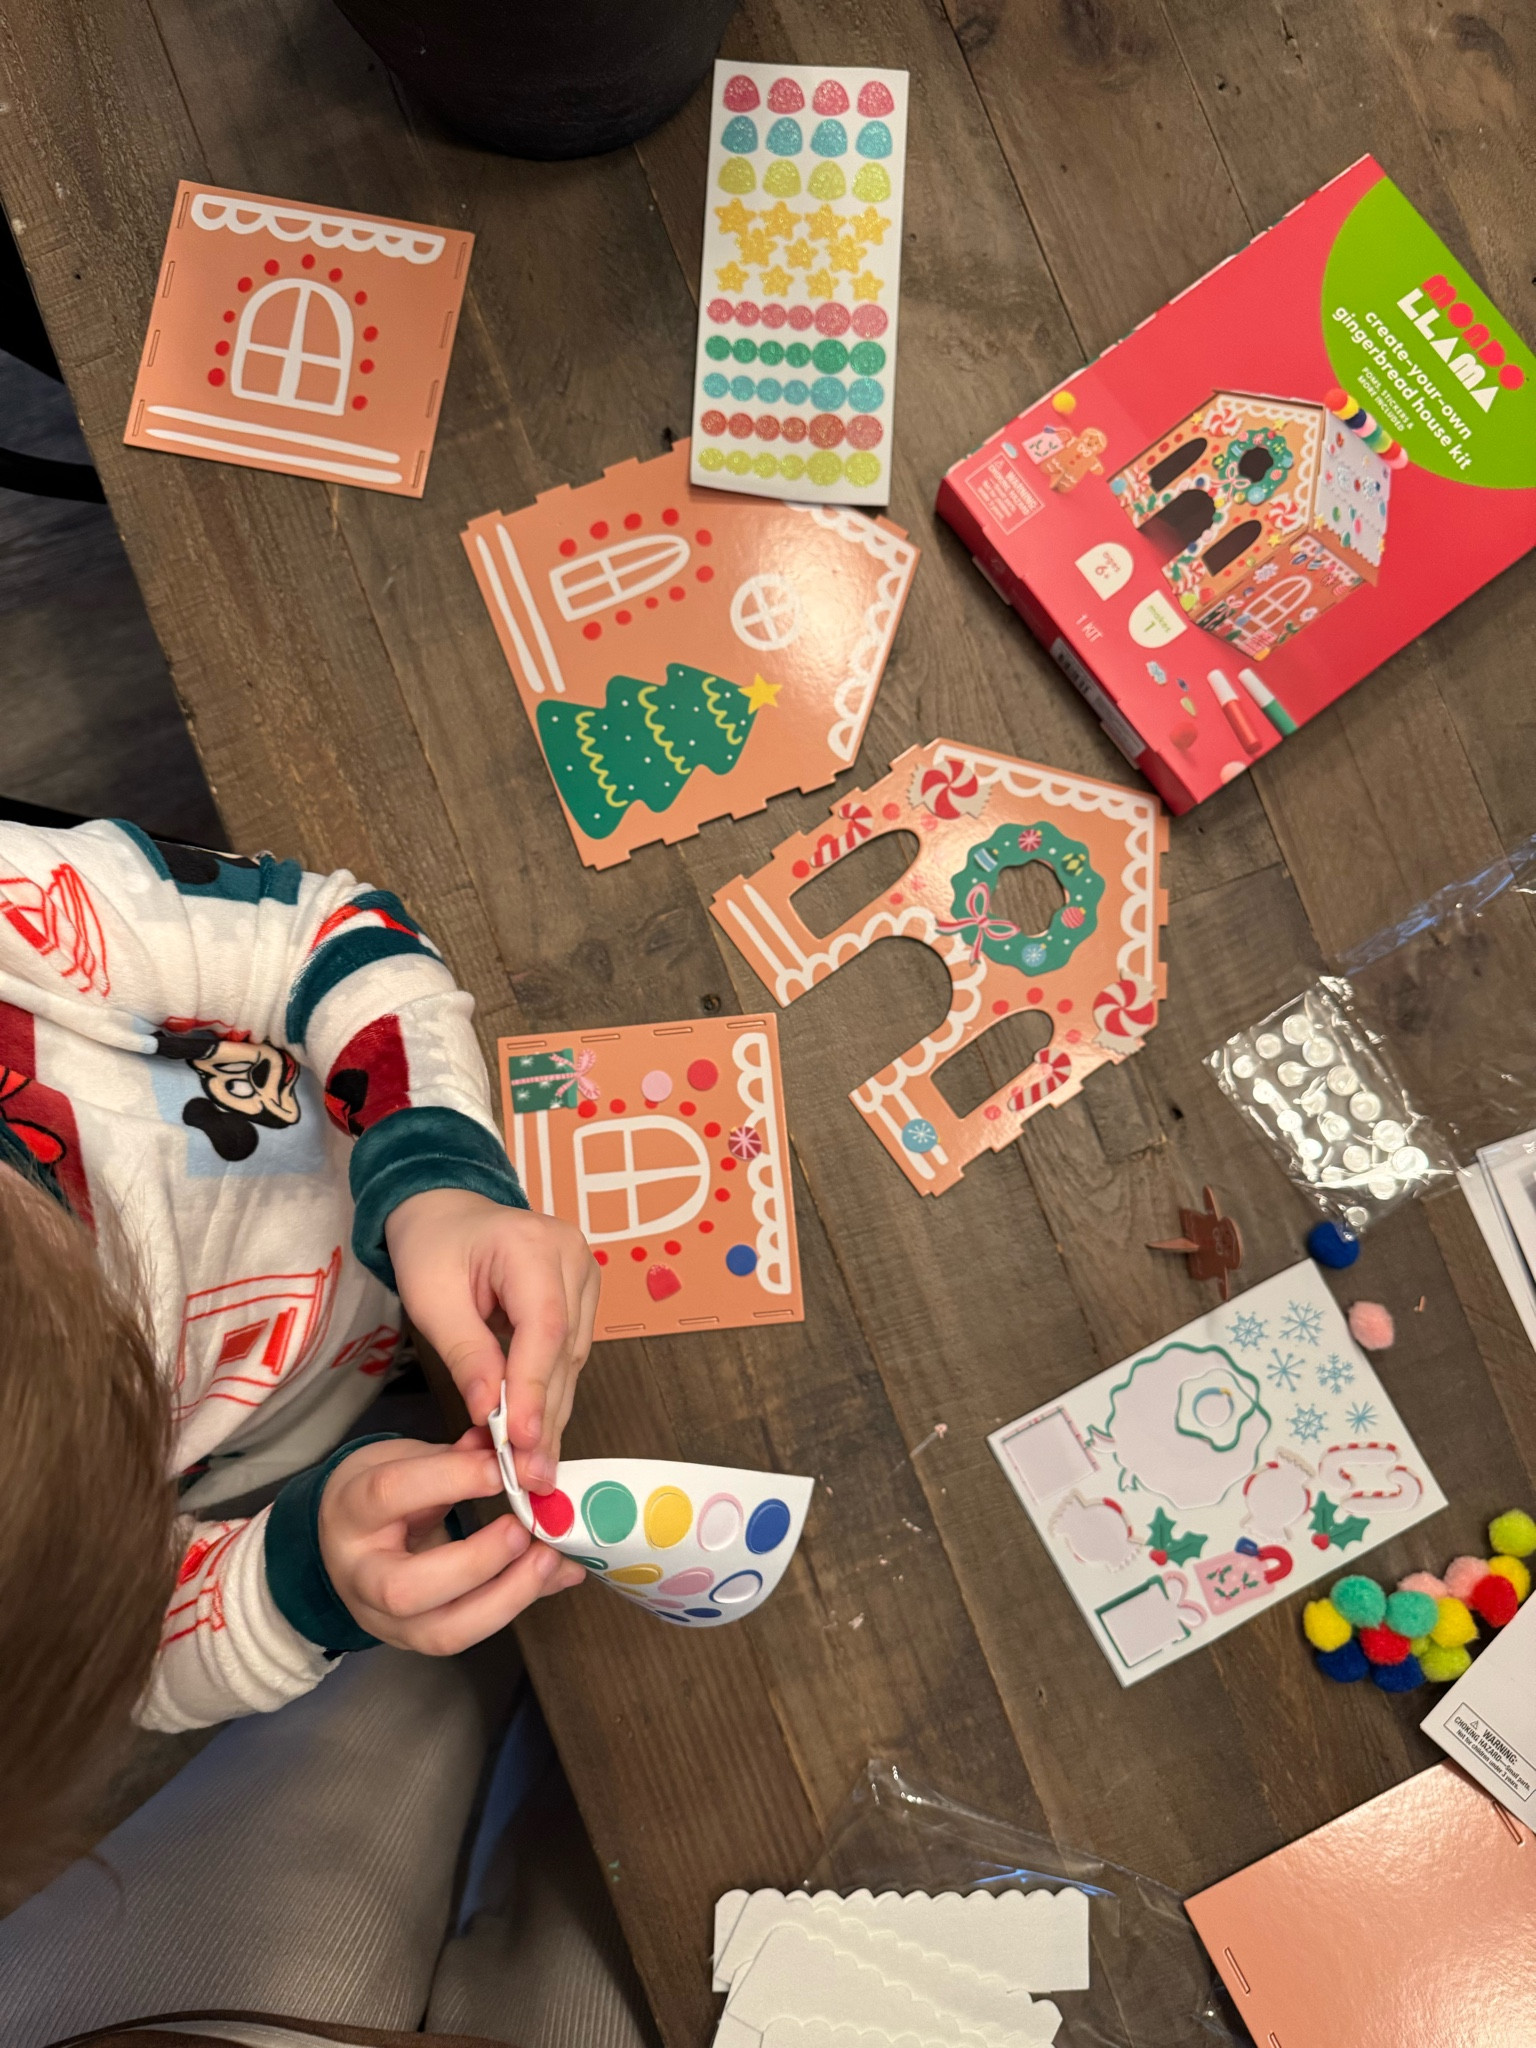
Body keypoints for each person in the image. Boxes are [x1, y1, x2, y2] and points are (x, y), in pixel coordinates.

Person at [0, 815, 597, 1907]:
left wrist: (431, 1170)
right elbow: (136, 1645)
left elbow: (330, 930)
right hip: (355, 1398)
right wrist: (300, 1578)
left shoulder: (17, 930)